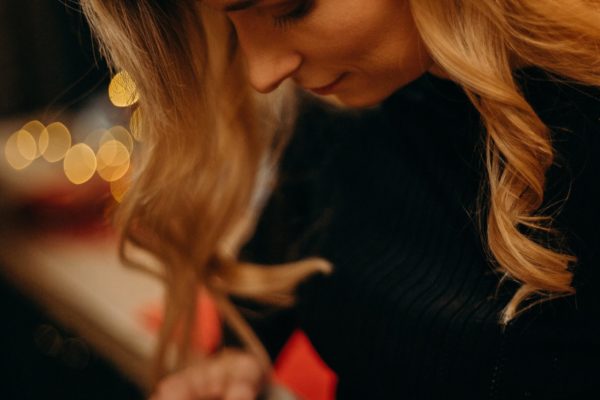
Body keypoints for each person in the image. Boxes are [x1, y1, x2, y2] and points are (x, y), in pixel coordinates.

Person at [80, 0, 600, 398]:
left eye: (289, 8)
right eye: (233, 23)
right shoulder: (345, 110)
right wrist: (235, 363)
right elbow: (277, 277)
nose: (262, 74)